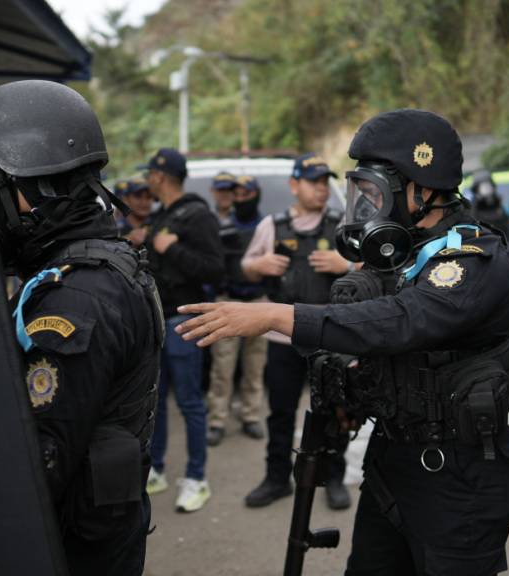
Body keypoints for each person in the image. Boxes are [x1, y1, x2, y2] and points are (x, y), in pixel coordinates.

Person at [178, 110, 509, 575]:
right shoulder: (399, 256)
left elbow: (402, 322)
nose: (367, 208)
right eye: (361, 194)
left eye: (374, 194)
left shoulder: (470, 257)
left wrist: (275, 315)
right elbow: (378, 342)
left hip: (458, 477)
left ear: (421, 189)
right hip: (391, 464)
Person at [0, 79, 163, 575]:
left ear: (31, 190)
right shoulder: (96, 265)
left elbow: (39, 462)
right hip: (98, 530)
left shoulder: (76, 297)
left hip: (71, 548)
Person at [238, 153, 353, 511]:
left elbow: (371, 270)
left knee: (335, 411)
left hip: (329, 338)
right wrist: (258, 264)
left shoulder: (341, 225)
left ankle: (333, 477)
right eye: (313, 182)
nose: (321, 189)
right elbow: (246, 267)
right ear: (294, 185)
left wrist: (346, 263)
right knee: (281, 412)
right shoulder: (273, 225)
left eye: (324, 183)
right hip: (282, 340)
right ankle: (276, 479)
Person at [141, 147, 225, 513]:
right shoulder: (162, 215)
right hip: (156, 323)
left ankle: (196, 478)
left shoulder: (196, 215)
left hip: (183, 322)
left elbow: (213, 269)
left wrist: (171, 248)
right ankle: (156, 468)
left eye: (149, 175)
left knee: (190, 403)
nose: (146, 181)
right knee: (154, 402)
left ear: (159, 176)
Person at [207, 174, 268, 446]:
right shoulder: (222, 226)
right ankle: (217, 420)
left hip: (259, 302)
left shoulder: (267, 225)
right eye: (238, 194)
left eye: (247, 194)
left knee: (255, 366)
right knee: (222, 366)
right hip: (228, 301)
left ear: (256, 194)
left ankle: (251, 416)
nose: (242, 199)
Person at [115, 176, 153, 248]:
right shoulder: (114, 229)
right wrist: (127, 241)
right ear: (126, 199)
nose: (144, 202)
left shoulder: (160, 222)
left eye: (149, 196)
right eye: (138, 196)